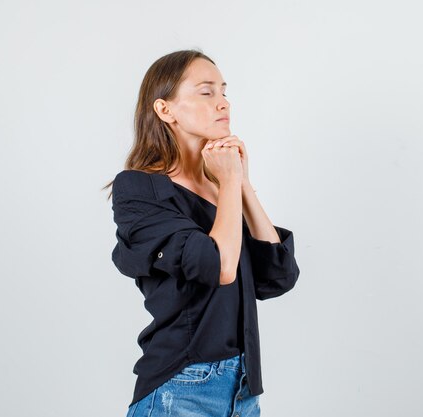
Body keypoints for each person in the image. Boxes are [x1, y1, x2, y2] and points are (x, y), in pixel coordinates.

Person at [104, 49, 300, 417]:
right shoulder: (140, 189)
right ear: (165, 110)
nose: (223, 103)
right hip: (182, 388)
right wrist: (228, 182)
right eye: (206, 92)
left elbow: (278, 277)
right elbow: (219, 267)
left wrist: (240, 184)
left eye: (224, 92)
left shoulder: (221, 189)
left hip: (243, 391)